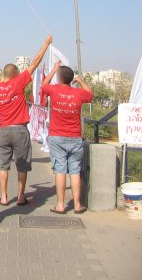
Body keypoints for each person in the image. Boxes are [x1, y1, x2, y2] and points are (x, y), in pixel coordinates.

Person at [0, 34, 53, 207]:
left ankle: (3, 196)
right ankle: (20, 197)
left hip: (3, 130)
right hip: (19, 130)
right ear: (16, 74)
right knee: (22, 166)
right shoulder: (18, 83)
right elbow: (34, 62)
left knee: (3, 165)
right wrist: (45, 43)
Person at [41, 62, 93, 214]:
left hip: (57, 137)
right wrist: (80, 81)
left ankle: (60, 205)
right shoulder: (78, 93)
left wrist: (53, 70)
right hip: (75, 137)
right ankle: (77, 205)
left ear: (58, 78)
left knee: (60, 170)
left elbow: (43, 85)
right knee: (75, 171)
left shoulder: (54, 89)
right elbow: (90, 94)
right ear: (71, 79)